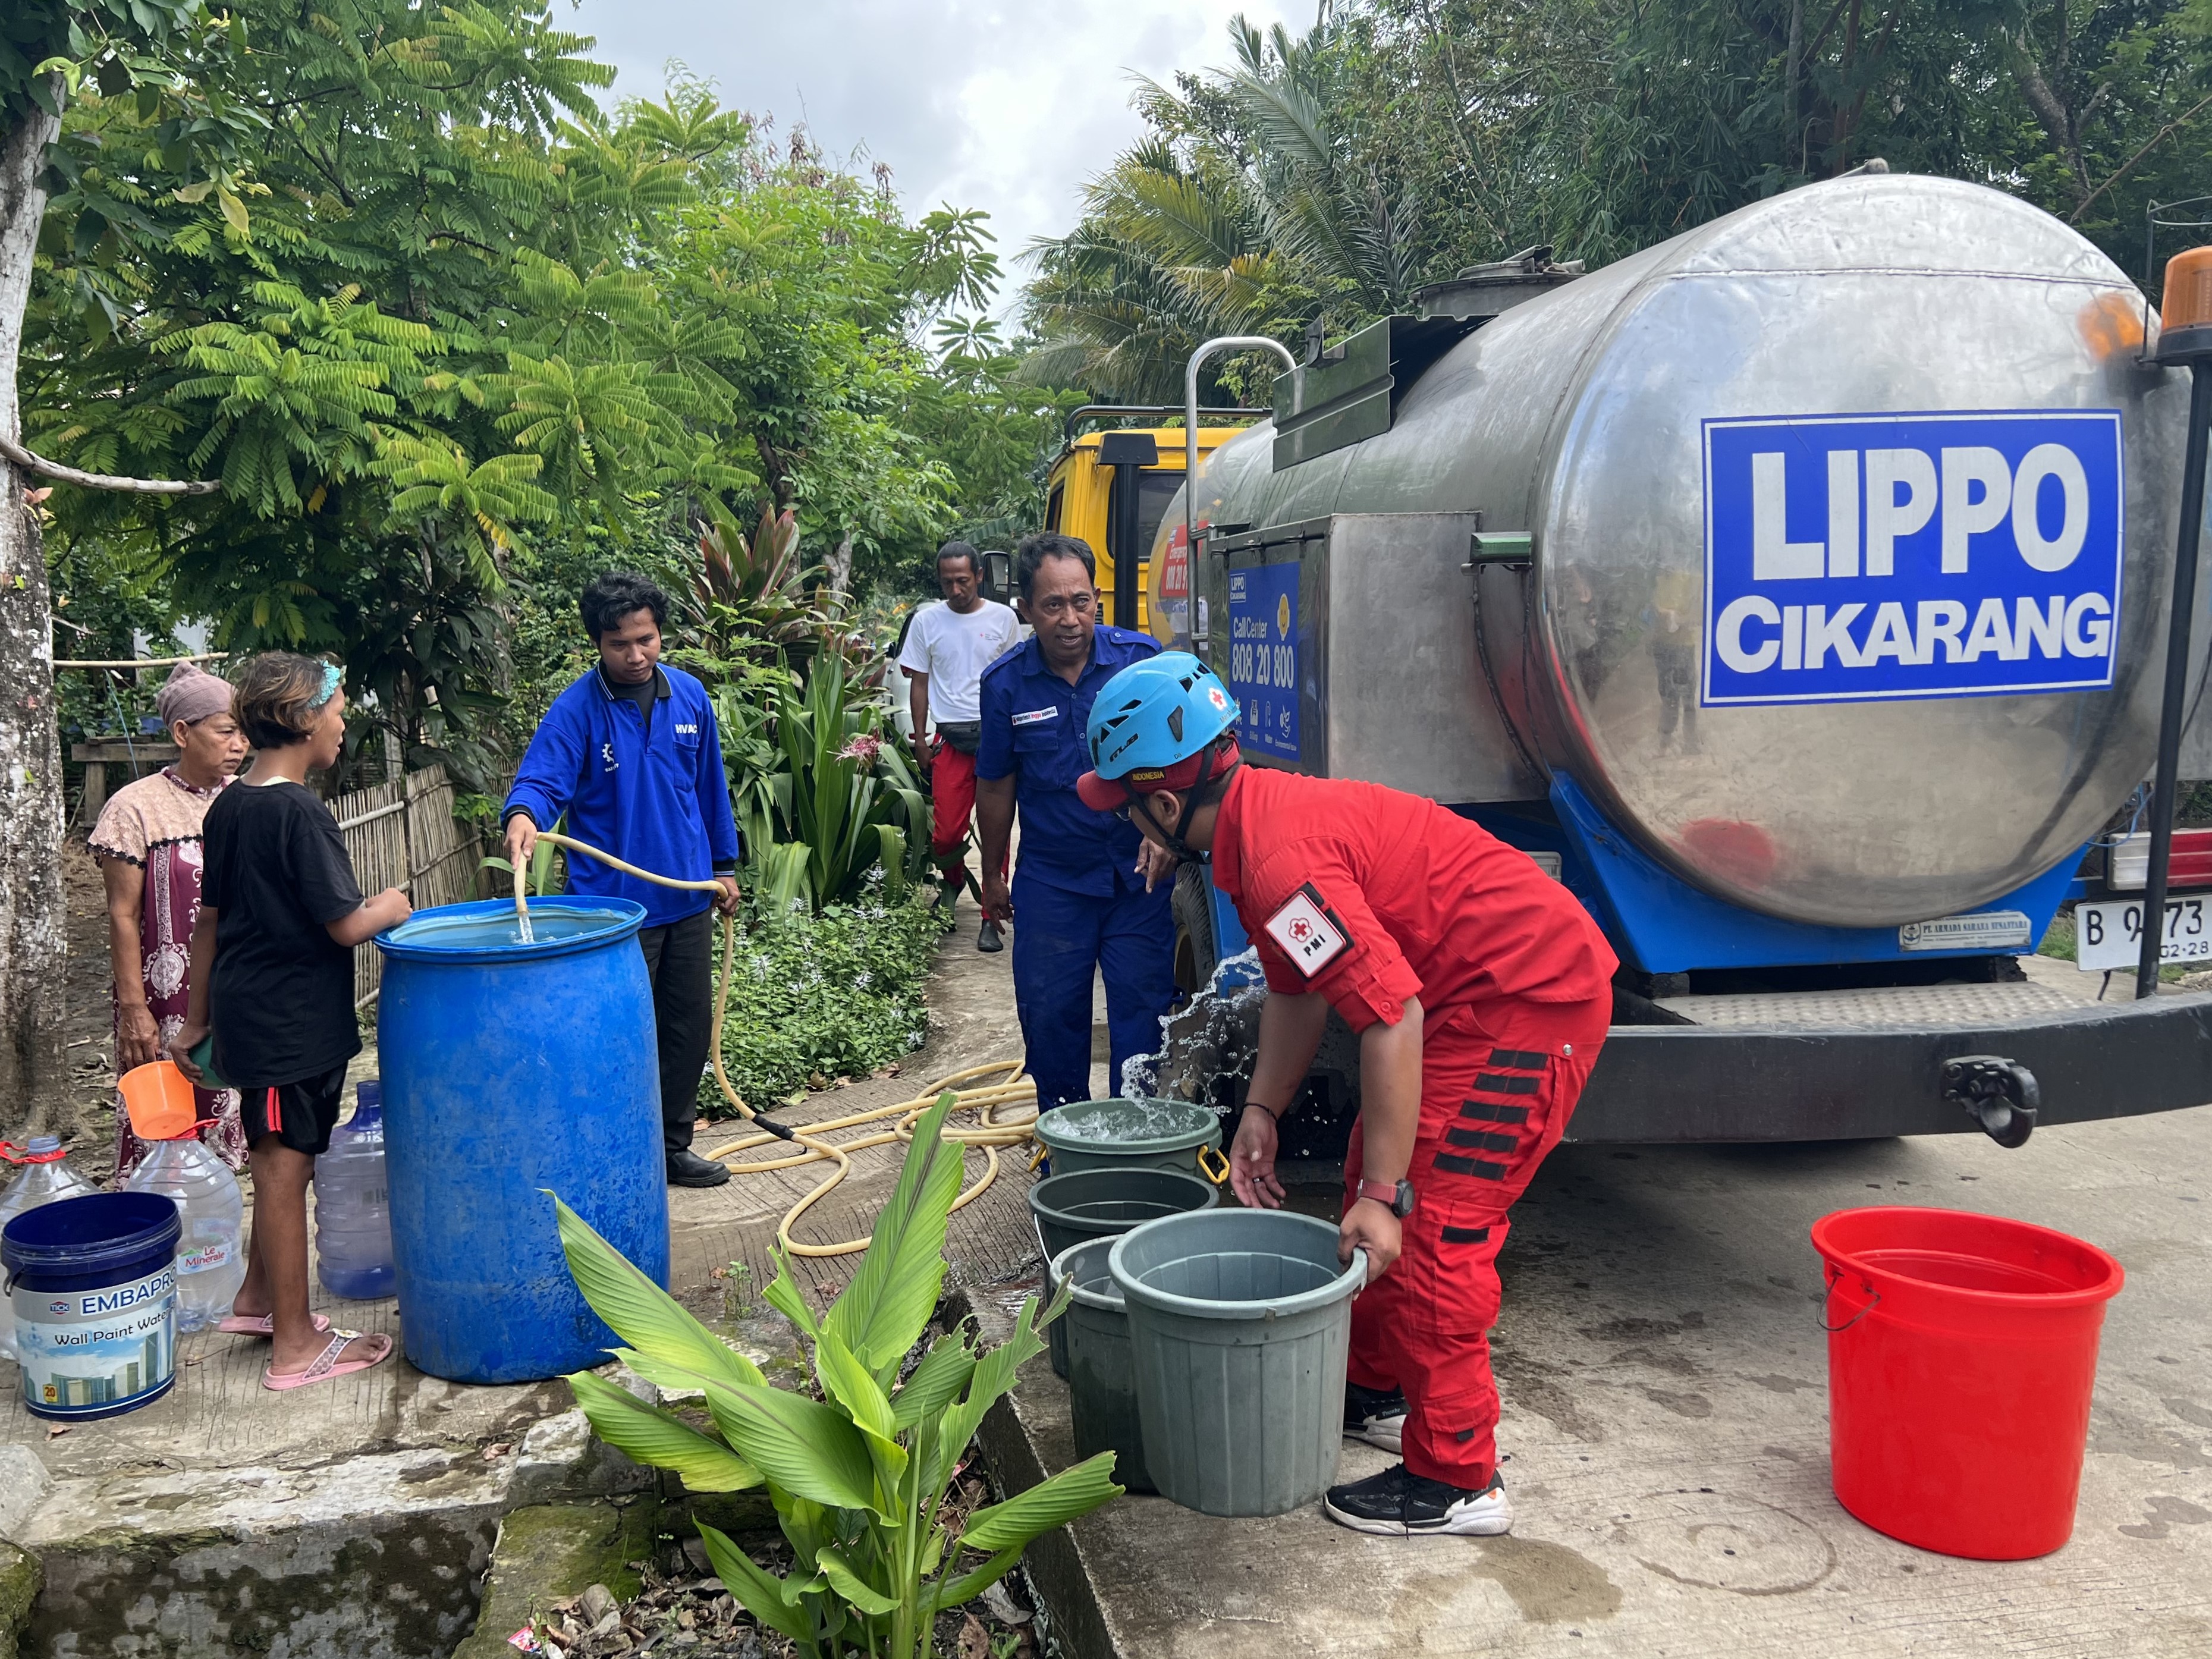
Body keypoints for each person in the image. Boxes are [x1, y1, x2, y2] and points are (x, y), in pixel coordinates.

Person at [1074, 651, 1618, 1538]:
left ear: (1167, 806)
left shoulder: (1278, 861)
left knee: (1432, 1219)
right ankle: (1369, 1384)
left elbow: (1391, 1015)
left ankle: (1457, 1478)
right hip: (1475, 993)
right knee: (1380, 1161)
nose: (1128, 821)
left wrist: (1383, 1198)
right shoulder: (1254, 832)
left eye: (1129, 805)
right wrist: (1261, 1112)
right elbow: (1296, 984)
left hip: (1528, 997)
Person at [174, 653, 411, 1390]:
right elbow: (344, 925)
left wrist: (192, 1020)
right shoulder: (299, 812)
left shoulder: (230, 806)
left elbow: (209, 922)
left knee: (277, 1158)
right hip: (289, 1026)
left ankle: (255, 1301)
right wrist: (394, 905)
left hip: (253, 1013)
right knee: (283, 1170)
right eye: (338, 709)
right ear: (306, 720)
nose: (344, 723)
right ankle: (296, 1348)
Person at [502, 572, 742, 1187]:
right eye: (620, 644)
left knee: (685, 1032)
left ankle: (671, 1148)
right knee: (614, 1041)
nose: (636, 655)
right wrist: (525, 815)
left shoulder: (689, 698)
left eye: (646, 639)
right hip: (613, 914)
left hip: (687, 896)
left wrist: (723, 868)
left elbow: (711, 789)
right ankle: (613, 1157)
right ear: (598, 645)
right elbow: (541, 779)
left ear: (660, 634)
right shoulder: (576, 711)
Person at [975, 533, 1177, 1112]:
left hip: (1135, 879)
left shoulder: (1141, 664)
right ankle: (1066, 1142)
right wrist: (993, 874)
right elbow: (995, 785)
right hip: (1053, 881)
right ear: (1026, 610)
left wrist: (1166, 837)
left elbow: (1183, 761)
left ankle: (1138, 1137)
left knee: (1142, 1014)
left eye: (1081, 601)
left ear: (1097, 601)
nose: (1070, 618)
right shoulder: (1006, 685)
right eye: (1053, 605)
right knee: (1051, 1013)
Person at [92, 662, 251, 1178]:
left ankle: (221, 1204)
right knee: (166, 1115)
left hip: (232, 986)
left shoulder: (245, 801)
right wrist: (136, 1008)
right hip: (163, 1001)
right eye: (226, 731)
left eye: (244, 732)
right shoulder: (135, 808)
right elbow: (123, 914)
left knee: (233, 1108)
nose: (239, 744)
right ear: (182, 733)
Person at [899, 540, 1020, 952]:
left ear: (980, 577)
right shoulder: (926, 621)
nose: (955, 589)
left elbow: (1017, 678)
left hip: (996, 739)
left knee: (996, 832)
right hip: (951, 739)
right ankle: (952, 884)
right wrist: (920, 739)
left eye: (963, 581)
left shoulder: (1004, 618)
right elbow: (919, 682)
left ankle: (991, 916)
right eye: (948, 582)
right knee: (946, 835)